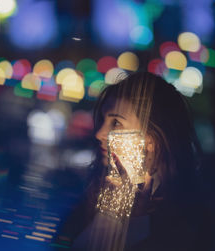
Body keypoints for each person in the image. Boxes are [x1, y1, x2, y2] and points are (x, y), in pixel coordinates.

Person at [58, 72, 205, 251]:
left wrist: (136, 220)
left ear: (151, 138)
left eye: (116, 123)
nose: (99, 134)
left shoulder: (184, 213)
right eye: (103, 120)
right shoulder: (98, 190)